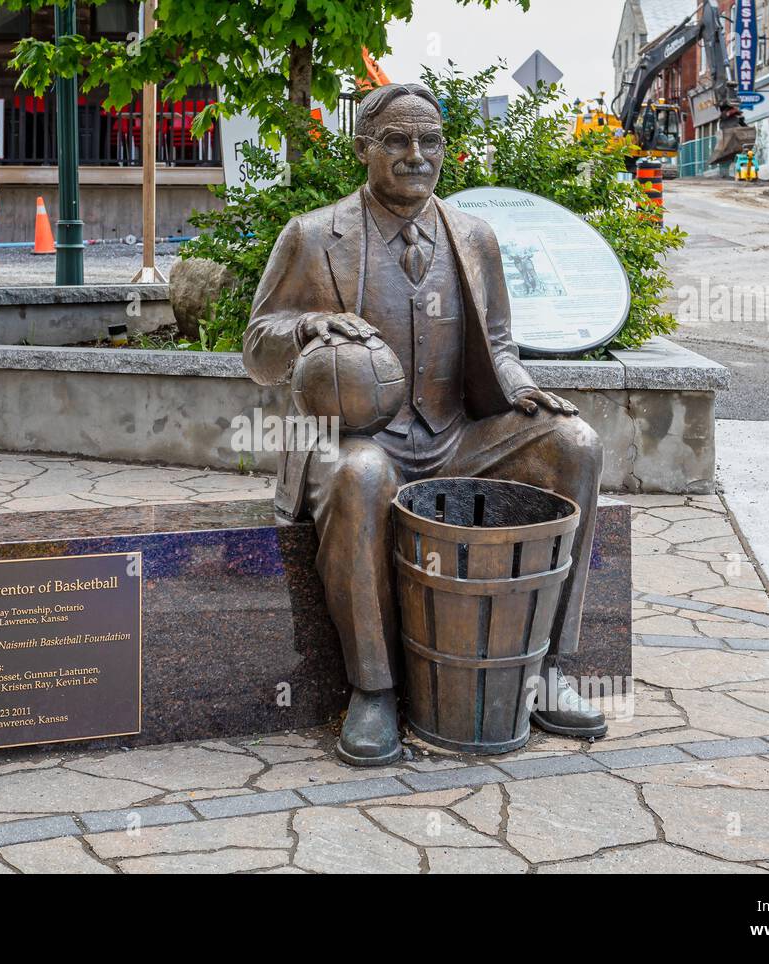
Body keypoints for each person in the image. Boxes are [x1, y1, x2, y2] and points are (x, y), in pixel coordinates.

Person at [245, 84, 606, 765]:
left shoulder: (473, 238)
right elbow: (256, 348)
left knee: (576, 447)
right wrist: (305, 328)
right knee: (362, 474)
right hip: (357, 440)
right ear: (364, 150)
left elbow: (500, 347)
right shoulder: (314, 235)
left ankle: (547, 666)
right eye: (399, 141)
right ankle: (374, 689)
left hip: (456, 434)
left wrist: (526, 391)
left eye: (430, 141)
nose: (417, 154)